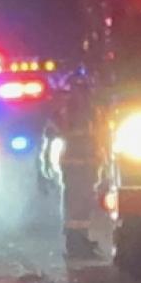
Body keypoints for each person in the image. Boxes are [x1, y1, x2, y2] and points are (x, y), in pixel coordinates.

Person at [48, 75, 102, 259]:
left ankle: (81, 240)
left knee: (84, 205)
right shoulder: (69, 111)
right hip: (75, 165)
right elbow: (53, 133)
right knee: (76, 206)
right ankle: (76, 244)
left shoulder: (91, 110)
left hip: (86, 164)